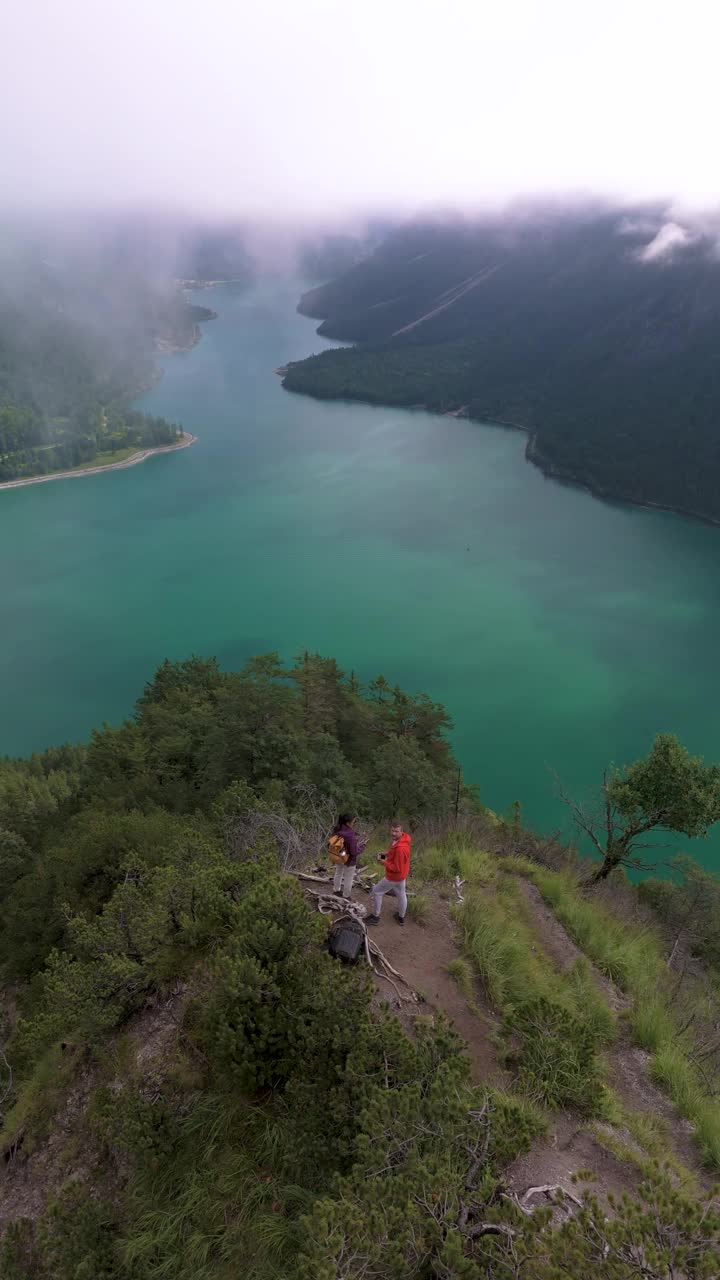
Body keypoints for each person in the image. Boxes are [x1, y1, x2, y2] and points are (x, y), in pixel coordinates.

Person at [367, 821, 411, 925]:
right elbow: (393, 852)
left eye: (397, 831)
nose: (394, 833)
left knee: (377, 892)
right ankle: (401, 917)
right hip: (402, 876)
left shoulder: (401, 849)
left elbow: (397, 868)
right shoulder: (401, 840)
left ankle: (375, 917)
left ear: (402, 831)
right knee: (401, 895)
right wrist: (385, 854)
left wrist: (384, 862)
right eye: (392, 830)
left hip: (394, 876)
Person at [331, 813, 366, 899]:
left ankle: (336, 890)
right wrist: (362, 847)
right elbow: (353, 852)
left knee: (338, 872)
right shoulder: (350, 834)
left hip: (338, 856)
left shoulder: (336, 829)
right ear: (348, 823)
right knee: (348, 878)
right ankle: (346, 896)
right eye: (353, 822)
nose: (354, 823)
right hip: (349, 860)